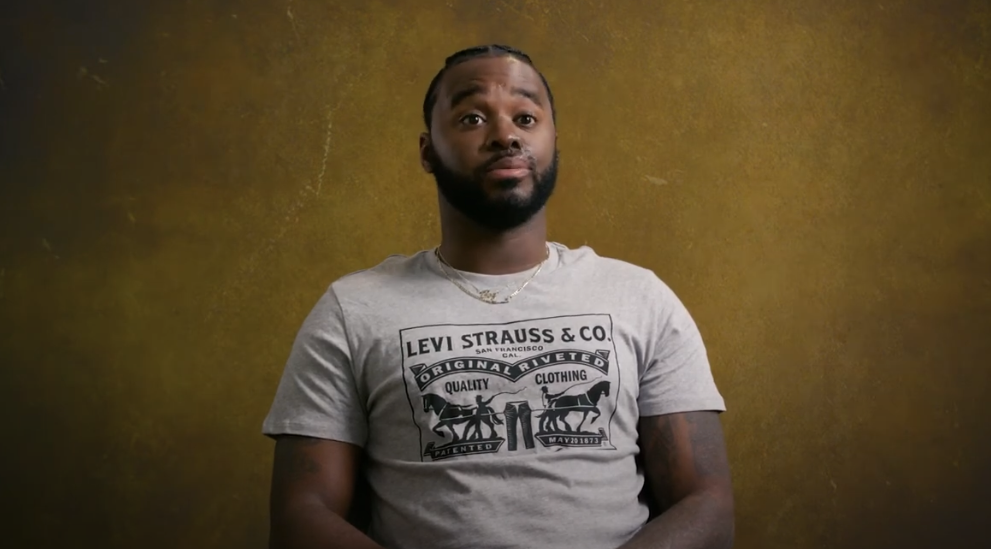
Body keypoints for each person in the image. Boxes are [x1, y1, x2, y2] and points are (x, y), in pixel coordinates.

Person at [262, 44, 735, 549]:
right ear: (427, 151)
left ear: (554, 140)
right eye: (471, 117)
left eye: (527, 117)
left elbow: (706, 503)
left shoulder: (640, 297)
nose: (506, 135)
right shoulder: (352, 310)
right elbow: (300, 515)